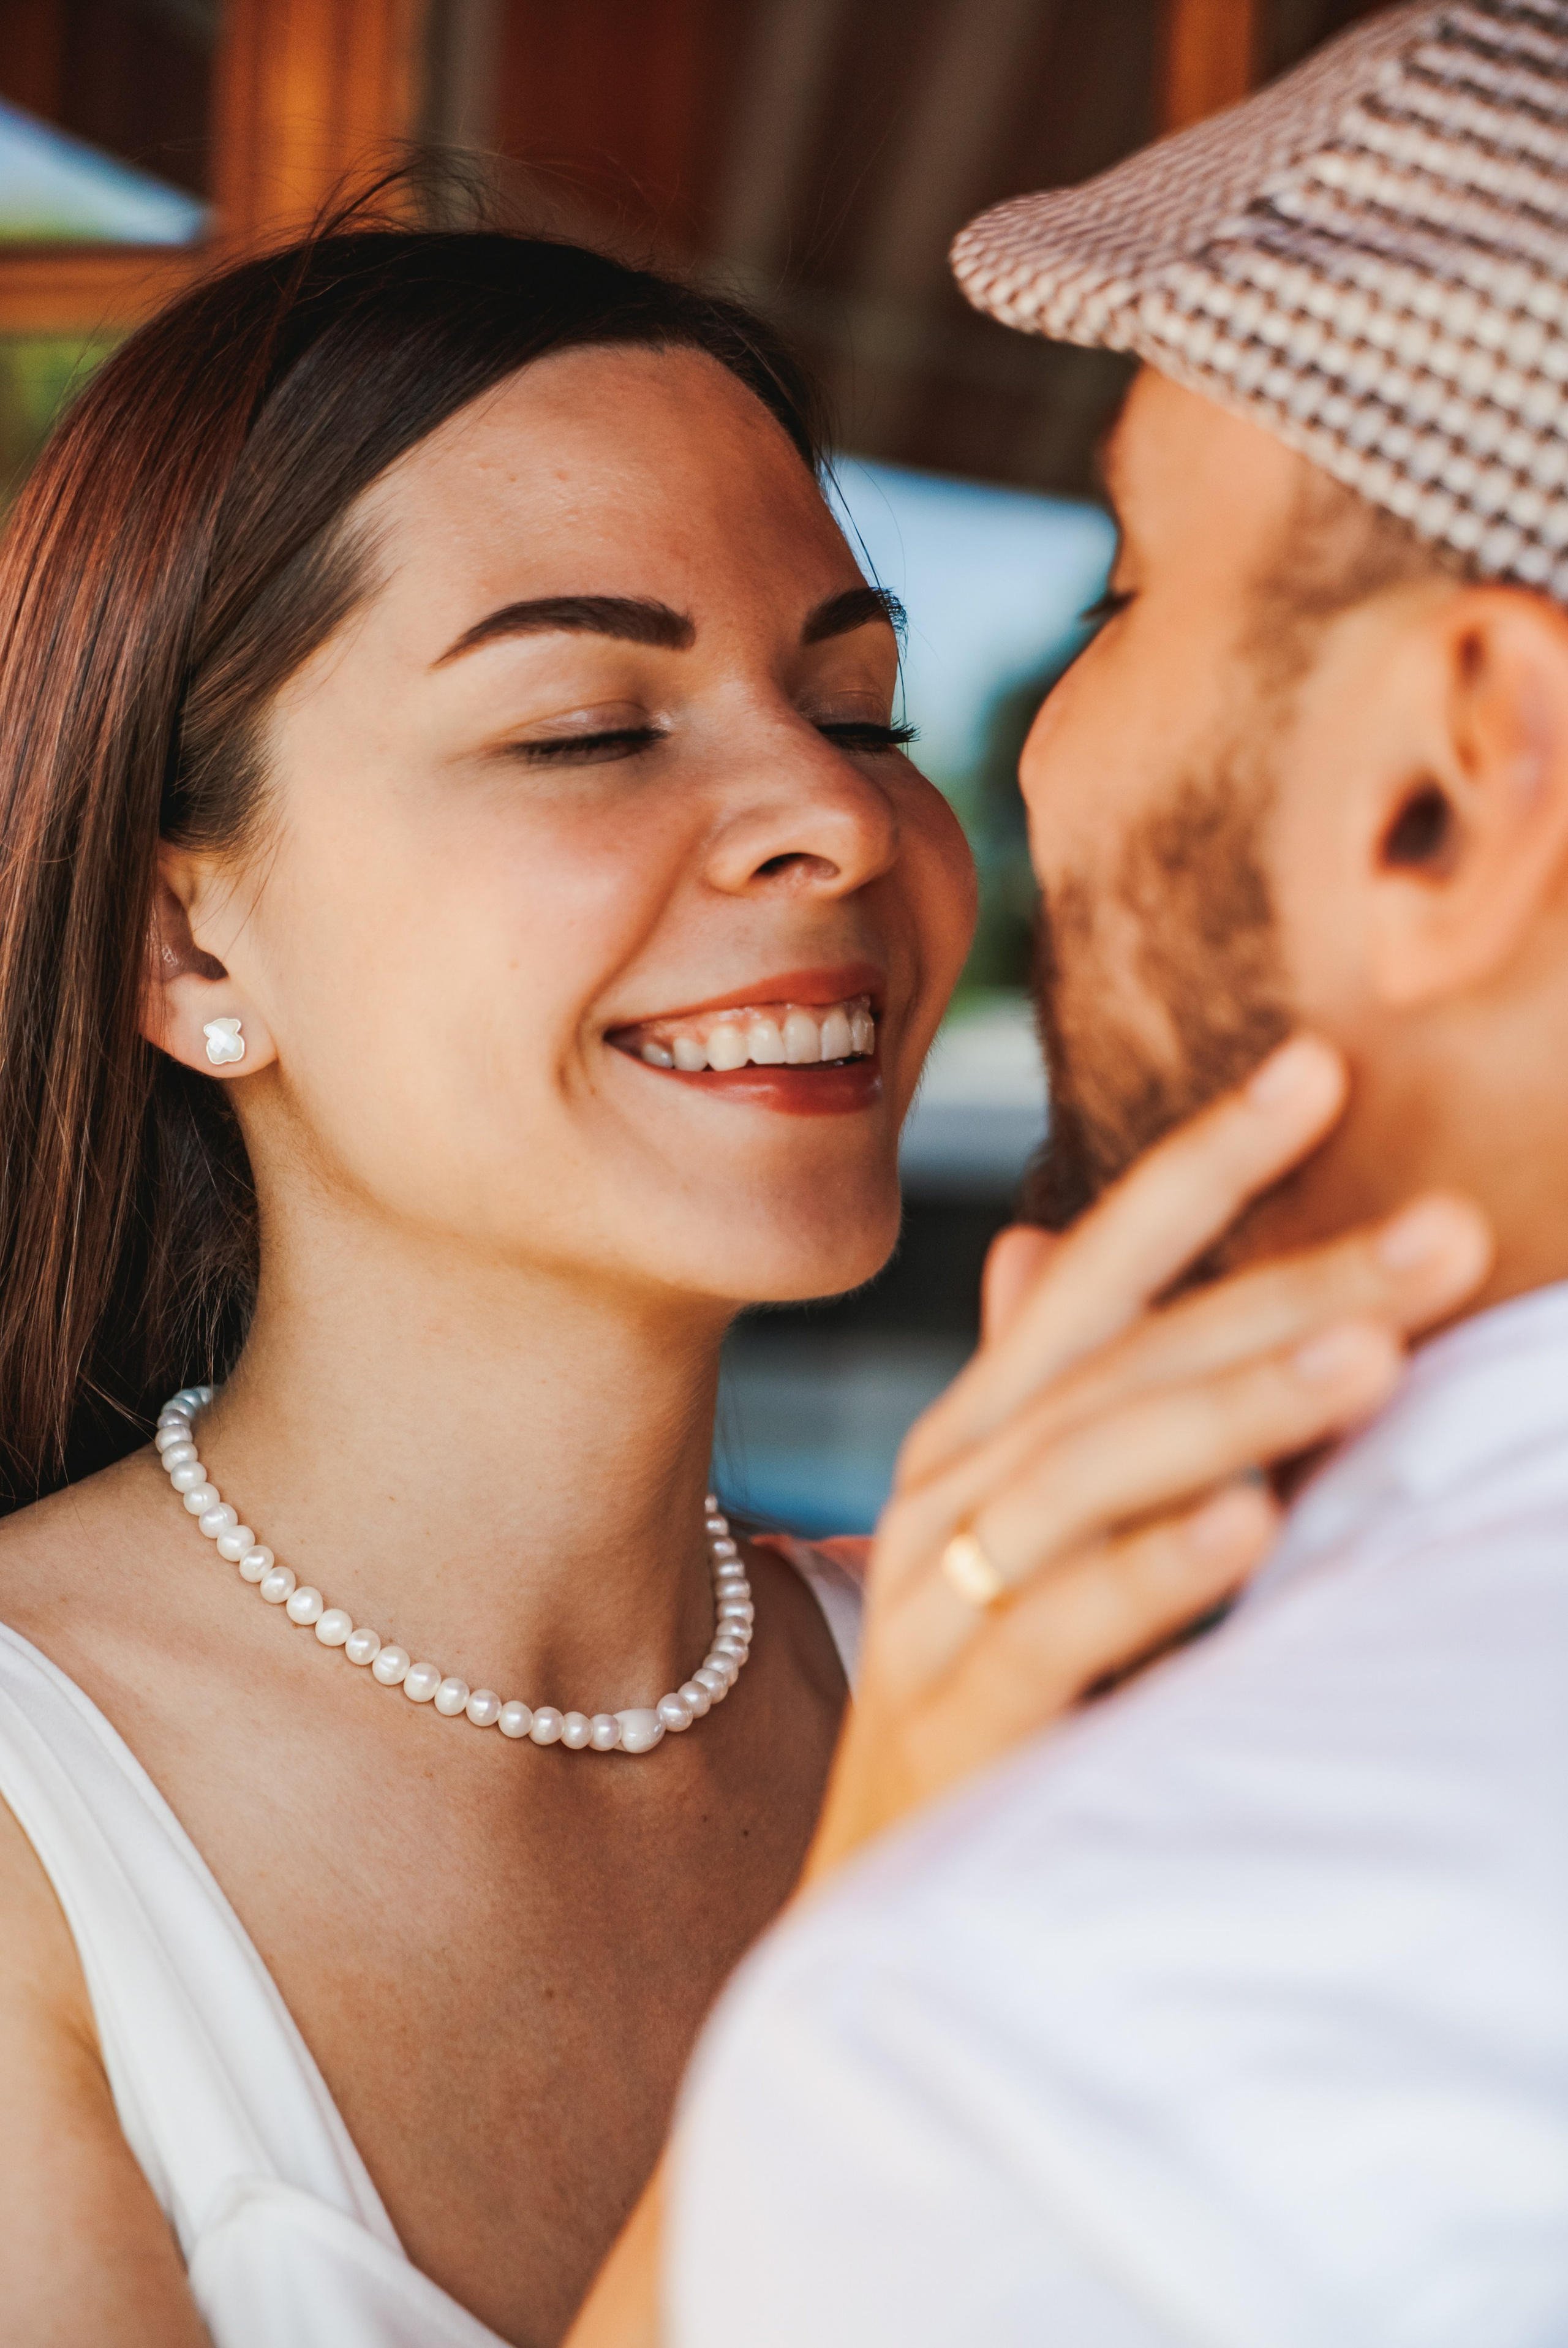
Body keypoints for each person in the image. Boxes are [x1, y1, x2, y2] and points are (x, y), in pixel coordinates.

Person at [0, 210, 1438, 2348]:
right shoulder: (40, 1824)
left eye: (857, 703)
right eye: (590, 726)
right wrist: (888, 1927)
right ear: (187, 947)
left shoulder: (1024, 1687)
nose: (841, 825)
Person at [663, 6, 1568, 2342]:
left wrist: (899, 1912)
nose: (850, 820)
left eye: (1122, 589)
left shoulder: (1047, 2046)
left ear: (1450, 795)